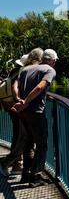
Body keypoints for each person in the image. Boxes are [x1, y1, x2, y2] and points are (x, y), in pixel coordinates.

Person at [11, 49, 58, 187]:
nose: (55, 63)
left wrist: (19, 99)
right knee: (42, 144)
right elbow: (39, 87)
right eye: (55, 60)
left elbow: (16, 85)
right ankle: (36, 177)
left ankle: (26, 175)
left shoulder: (27, 69)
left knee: (28, 143)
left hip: (22, 112)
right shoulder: (49, 70)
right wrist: (26, 102)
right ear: (52, 60)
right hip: (35, 112)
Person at [0, 48, 44, 177]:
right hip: (19, 107)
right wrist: (21, 101)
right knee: (23, 136)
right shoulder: (23, 71)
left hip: (13, 106)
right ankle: (12, 164)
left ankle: (18, 166)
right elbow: (16, 87)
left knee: (21, 135)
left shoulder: (16, 71)